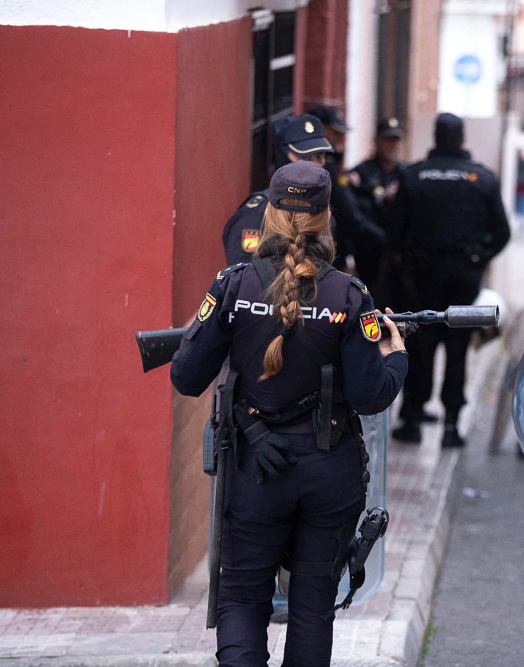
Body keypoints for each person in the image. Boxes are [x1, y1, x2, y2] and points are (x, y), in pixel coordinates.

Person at [172, 161, 408, 666]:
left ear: (272, 216)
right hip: (329, 471)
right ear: (326, 219)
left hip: (257, 469)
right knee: (312, 606)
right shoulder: (351, 295)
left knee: (241, 597)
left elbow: (186, 377)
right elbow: (371, 397)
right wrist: (397, 355)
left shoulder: (233, 284)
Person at [390, 112, 511, 448]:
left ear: (435, 137)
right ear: (461, 139)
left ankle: (412, 419)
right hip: (463, 276)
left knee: (420, 345)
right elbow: (502, 232)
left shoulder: (414, 176)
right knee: (457, 350)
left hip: (422, 274)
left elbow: (395, 232)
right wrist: (478, 257)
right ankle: (451, 426)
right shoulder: (482, 178)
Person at [222, 114, 334, 266]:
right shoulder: (255, 214)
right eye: (306, 159)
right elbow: (244, 281)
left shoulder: (322, 210)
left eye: (320, 156)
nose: (315, 166)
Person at [308, 106, 387, 275]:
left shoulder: (333, 165)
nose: (341, 137)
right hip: (326, 254)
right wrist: (380, 237)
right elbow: (349, 215)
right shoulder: (326, 167)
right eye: (335, 132)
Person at [346, 117, 408, 308]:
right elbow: (351, 218)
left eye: (395, 140)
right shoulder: (360, 173)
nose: (392, 145)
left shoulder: (408, 174)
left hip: (400, 258)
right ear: (376, 141)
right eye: (387, 140)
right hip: (368, 255)